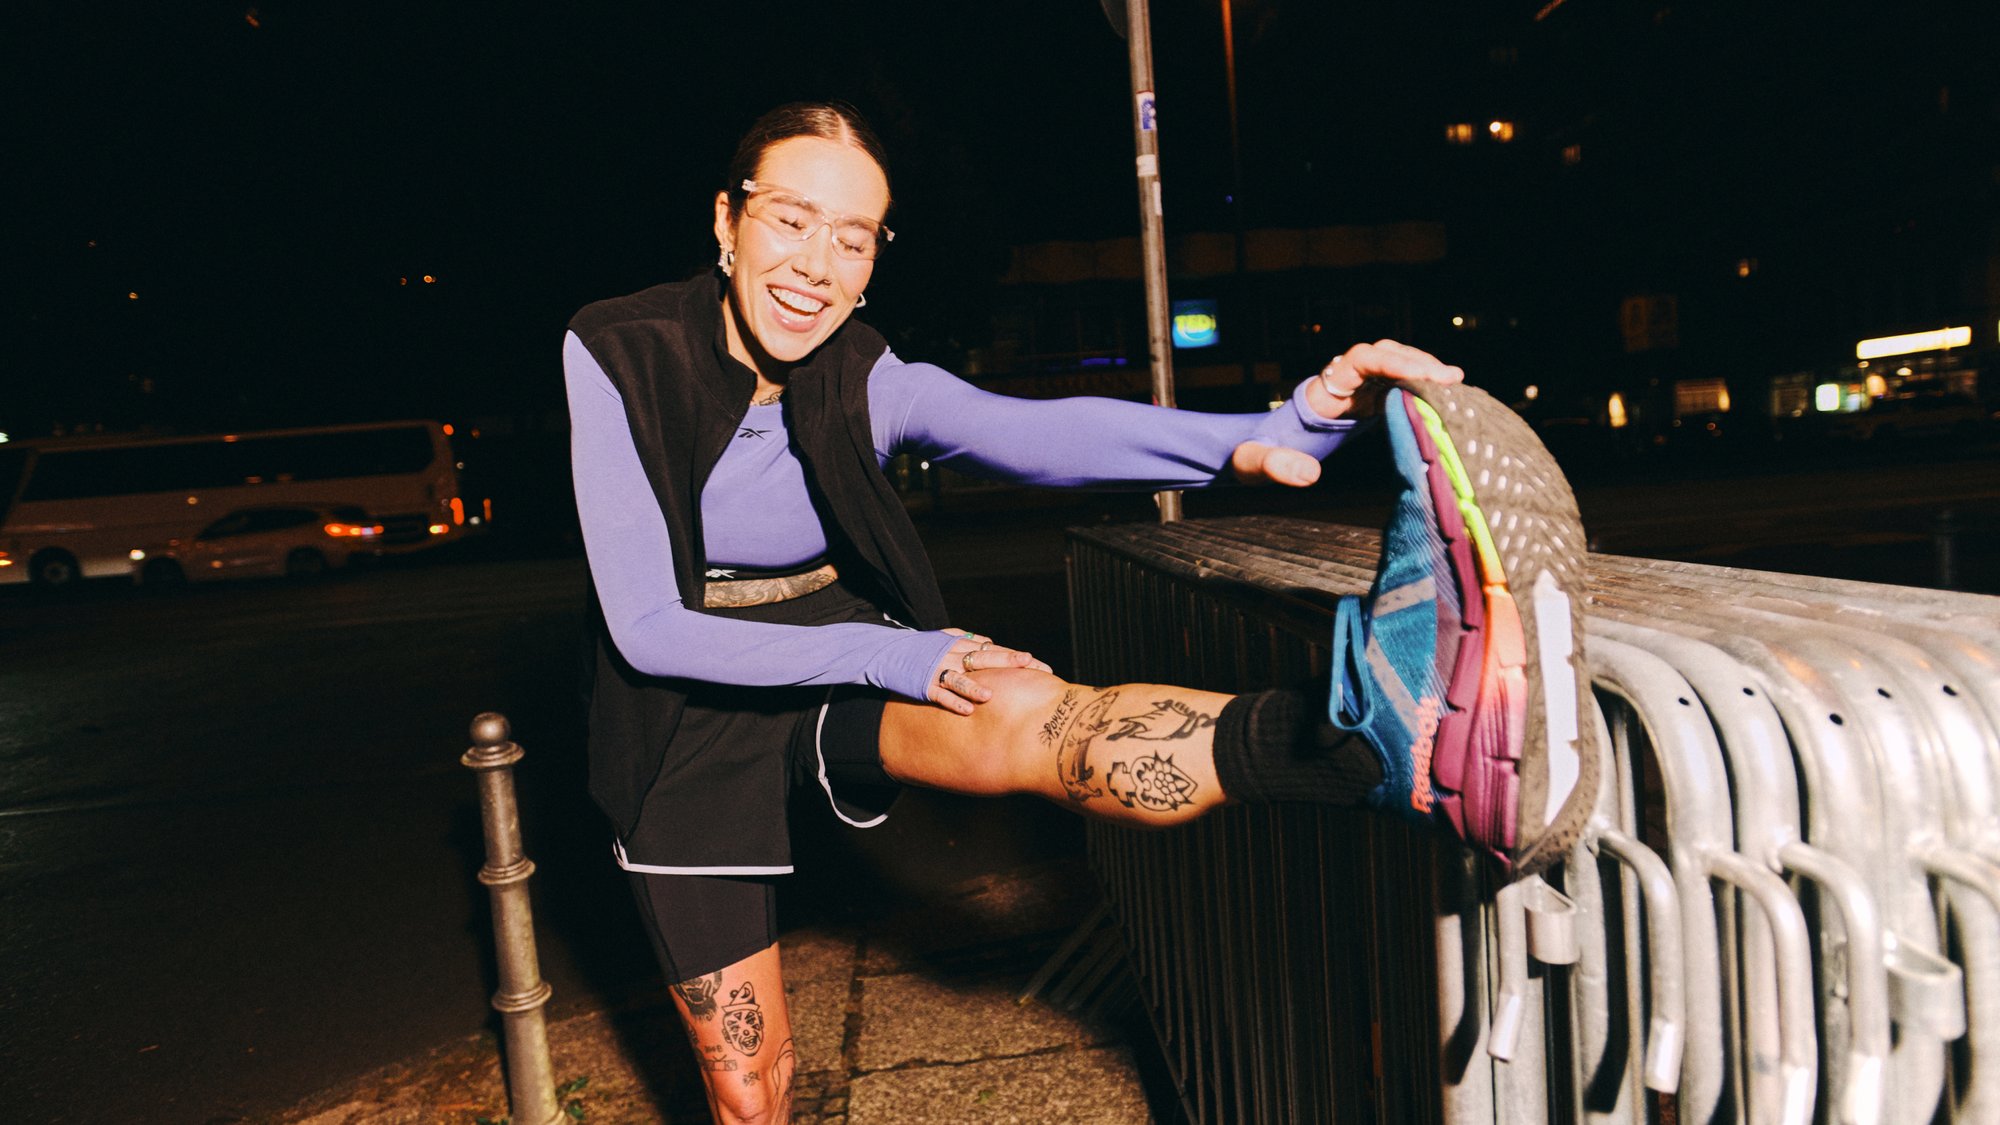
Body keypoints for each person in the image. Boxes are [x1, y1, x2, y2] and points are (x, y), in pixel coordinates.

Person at [564, 101, 1597, 1124]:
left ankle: (1382, 745)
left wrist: (1264, 430)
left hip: (829, 641)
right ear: (724, 221)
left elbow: (1029, 432)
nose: (814, 267)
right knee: (753, 1093)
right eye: (787, 218)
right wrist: (894, 659)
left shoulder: (858, 370)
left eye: (852, 238)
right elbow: (647, 626)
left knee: (1037, 717)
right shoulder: (617, 352)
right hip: (683, 707)